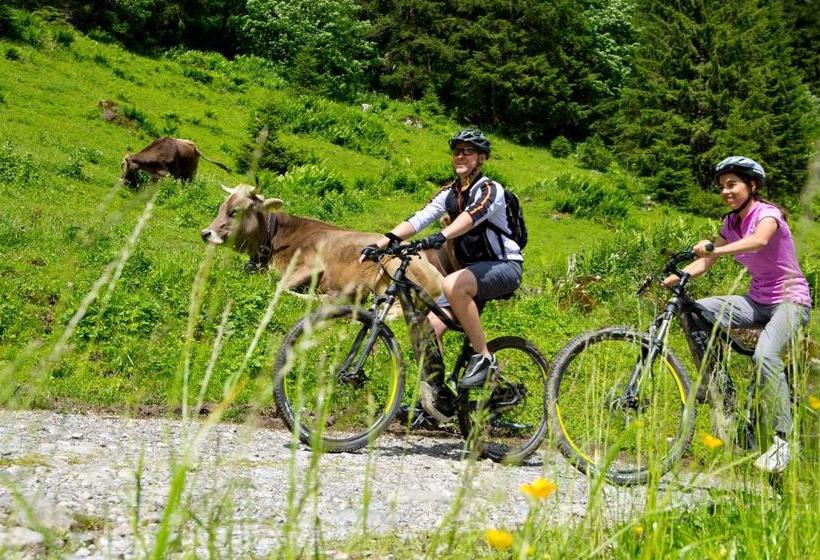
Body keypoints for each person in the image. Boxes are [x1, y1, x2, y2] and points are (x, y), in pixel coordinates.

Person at [663, 156, 812, 473]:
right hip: (757, 300)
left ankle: (782, 442)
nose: (726, 192)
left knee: (764, 355)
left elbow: (758, 242)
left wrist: (714, 248)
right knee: (695, 310)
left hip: (791, 300)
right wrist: (679, 277)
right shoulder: (730, 223)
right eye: (722, 187)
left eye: (732, 185)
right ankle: (720, 388)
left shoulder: (767, 215)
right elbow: (705, 262)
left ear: (752, 186)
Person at [363, 129, 523, 423]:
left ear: (481, 158)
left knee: (452, 284)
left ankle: (485, 359)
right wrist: (385, 240)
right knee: (426, 328)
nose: (460, 156)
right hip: (471, 273)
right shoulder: (450, 193)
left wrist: (441, 236)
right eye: (457, 151)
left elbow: (471, 216)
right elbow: (419, 217)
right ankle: (436, 404)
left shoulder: (491, 190)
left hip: (504, 267)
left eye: (468, 151)